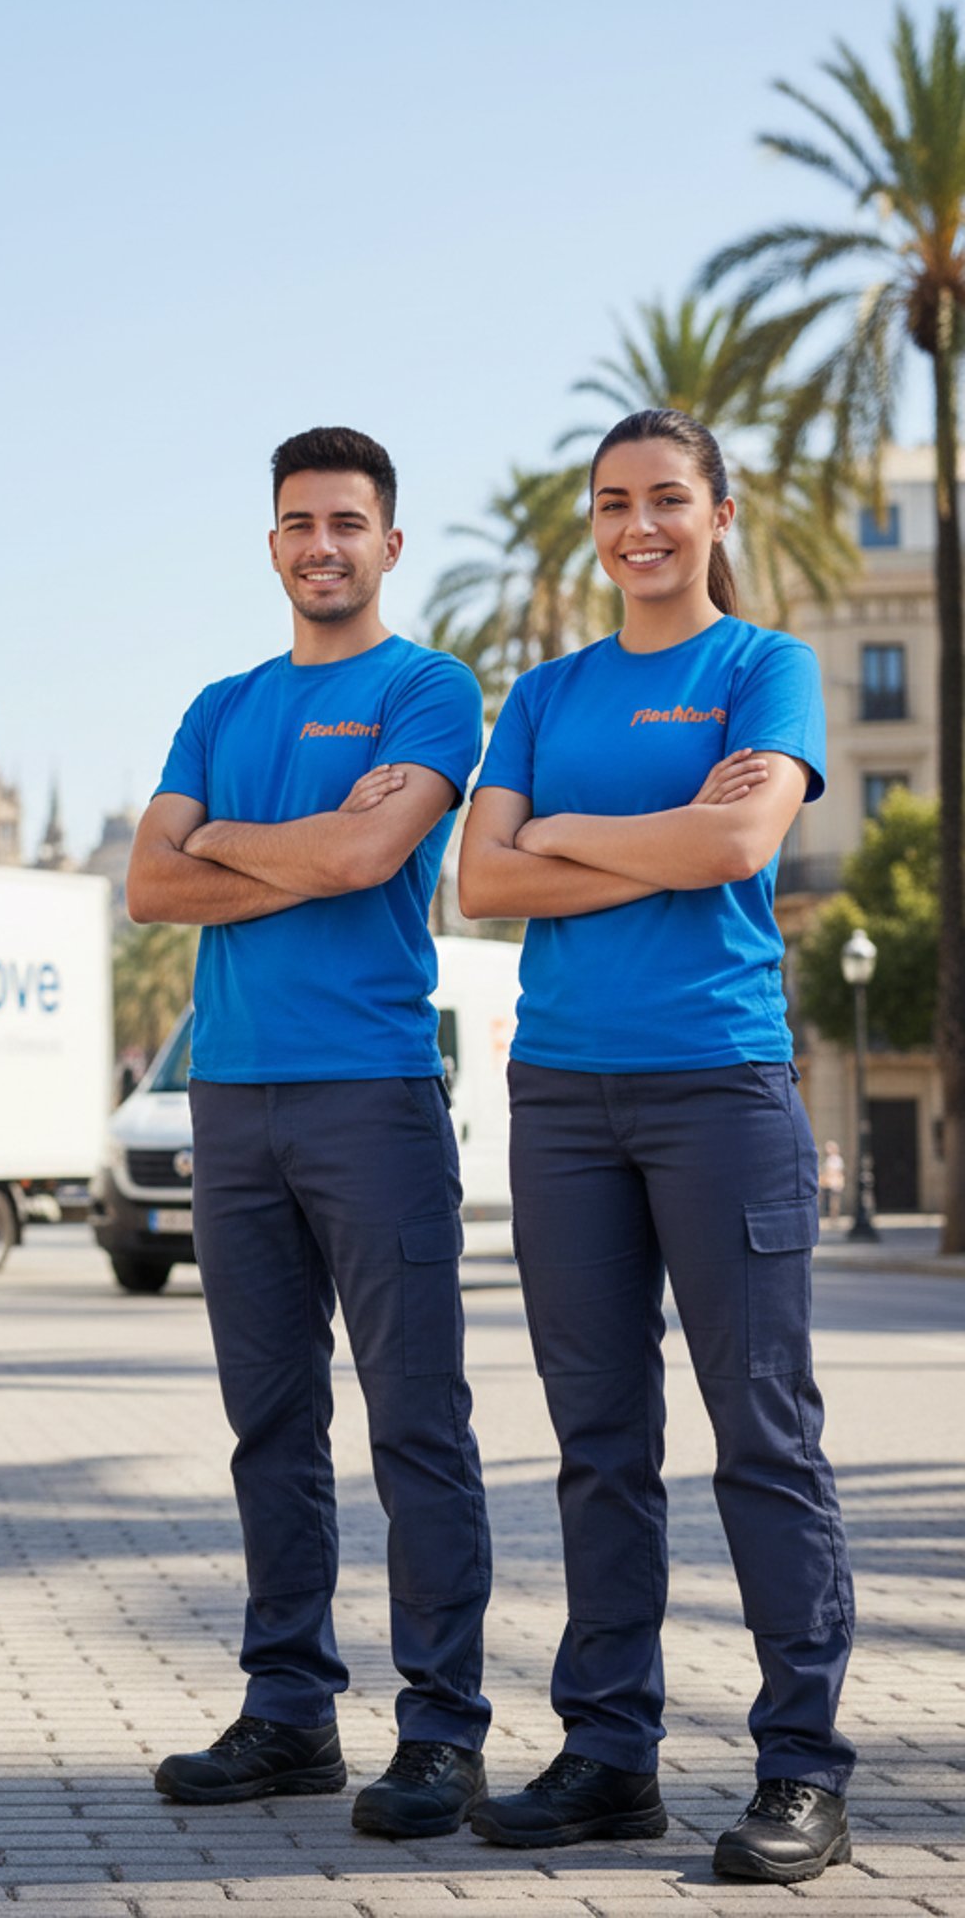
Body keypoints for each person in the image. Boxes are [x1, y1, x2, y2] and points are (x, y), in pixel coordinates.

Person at [457, 409, 854, 1884]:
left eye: (669, 498)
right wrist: (647, 831)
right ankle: (609, 1756)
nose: (643, 524)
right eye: (616, 500)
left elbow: (739, 850)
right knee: (599, 1447)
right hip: (561, 1102)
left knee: (763, 1436)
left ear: (721, 513)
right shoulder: (546, 690)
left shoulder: (764, 669)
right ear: (593, 519)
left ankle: (802, 1768)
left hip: (719, 1090)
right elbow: (482, 879)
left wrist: (566, 833)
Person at [127, 426, 493, 1839]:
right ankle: (286, 1717)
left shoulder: (430, 689)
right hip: (232, 1100)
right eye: (298, 522)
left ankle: (443, 1734)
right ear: (272, 543)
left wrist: (230, 840)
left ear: (389, 545)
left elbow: (363, 857)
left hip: (375, 1099)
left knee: (417, 1423)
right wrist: (284, 848)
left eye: (348, 522)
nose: (321, 544)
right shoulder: (220, 703)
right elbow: (150, 890)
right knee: (270, 1423)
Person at [820, 1140, 846, 1221]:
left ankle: (834, 1217)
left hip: (834, 1182)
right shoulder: (829, 1159)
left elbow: (836, 1171)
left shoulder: (836, 1159)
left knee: (834, 1200)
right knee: (829, 1199)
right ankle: (830, 1216)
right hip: (829, 1182)